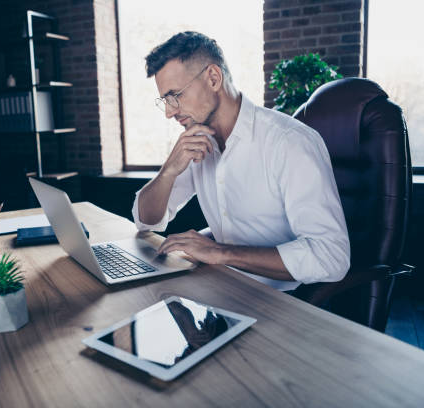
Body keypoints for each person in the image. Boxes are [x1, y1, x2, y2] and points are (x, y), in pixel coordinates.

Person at [131, 31, 350, 291]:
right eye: (164, 101)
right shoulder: (196, 141)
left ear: (213, 78)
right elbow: (146, 221)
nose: (169, 112)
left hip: (283, 301)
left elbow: (331, 257)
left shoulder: (288, 142)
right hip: (220, 288)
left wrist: (220, 252)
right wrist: (168, 171)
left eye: (175, 95)